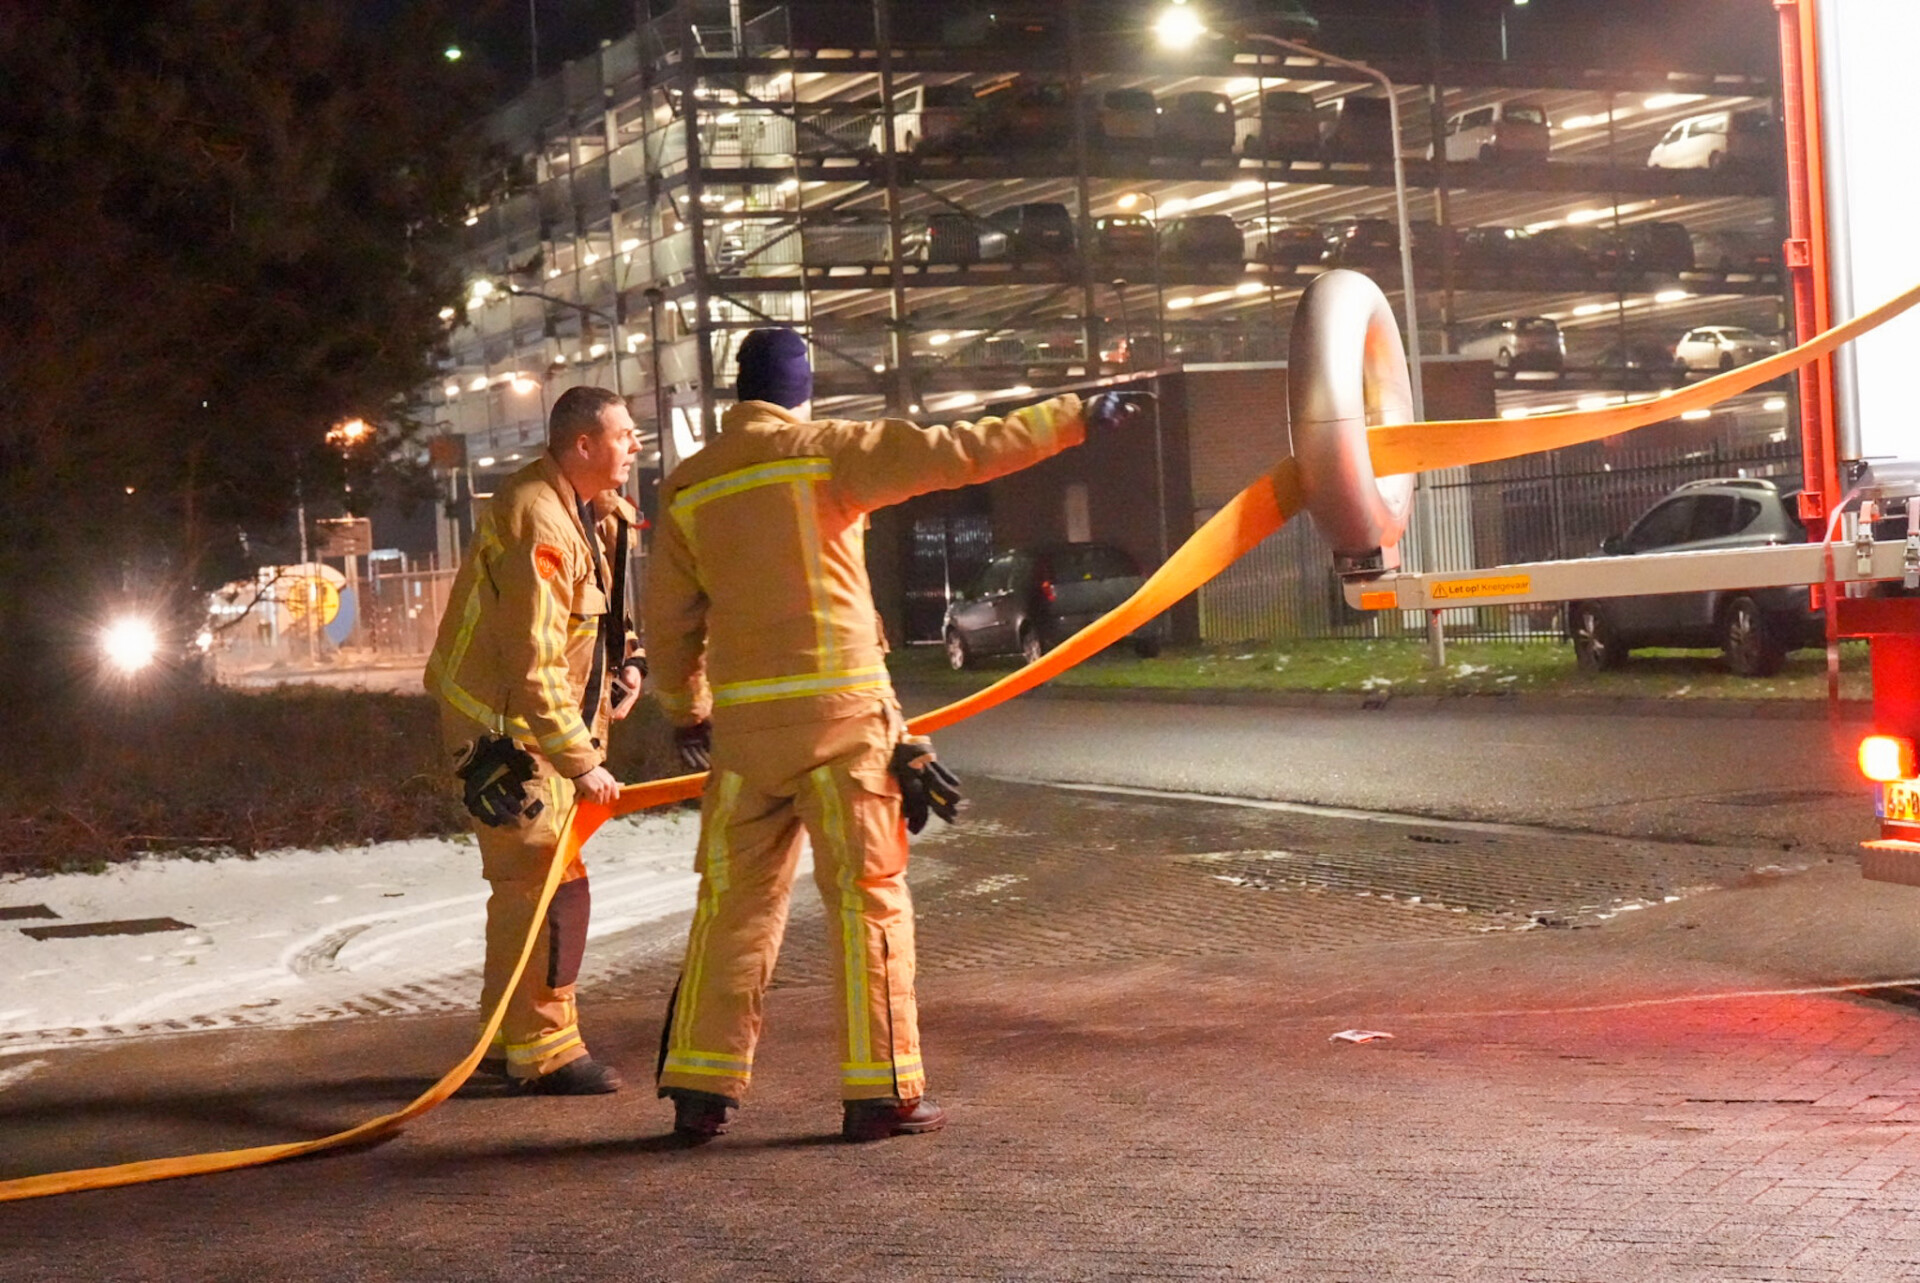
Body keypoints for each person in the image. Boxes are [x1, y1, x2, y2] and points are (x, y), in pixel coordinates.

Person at [646, 326, 1131, 1142]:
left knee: (731, 907)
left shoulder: (690, 485)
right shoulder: (826, 452)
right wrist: (1074, 417)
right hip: (842, 719)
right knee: (866, 899)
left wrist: (684, 708)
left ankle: (699, 1087)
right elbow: (959, 451)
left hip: (746, 732)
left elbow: (669, 619)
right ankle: (882, 1091)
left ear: (738, 391)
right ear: (802, 391)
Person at [424, 384, 646, 1095]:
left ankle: (505, 1037)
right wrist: (579, 761)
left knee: (525, 889)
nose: (635, 444)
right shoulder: (541, 522)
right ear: (583, 444)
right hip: (504, 735)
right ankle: (547, 1049)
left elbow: (594, 615)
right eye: (624, 433)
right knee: (552, 887)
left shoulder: (586, 509)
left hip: (522, 727)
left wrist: (628, 660)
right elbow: (535, 661)